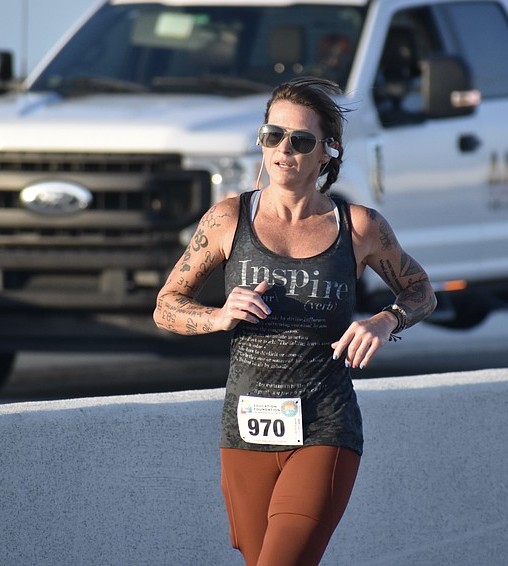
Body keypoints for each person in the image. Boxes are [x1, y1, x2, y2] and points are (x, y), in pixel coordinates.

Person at [153, 77, 437, 566]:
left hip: (325, 426)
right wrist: (220, 317)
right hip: (245, 431)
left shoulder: (359, 228)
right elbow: (166, 305)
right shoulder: (227, 220)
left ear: (327, 152)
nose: (284, 150)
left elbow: (421, 292)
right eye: (272, 135)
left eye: (300, 140)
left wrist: (385, 321)